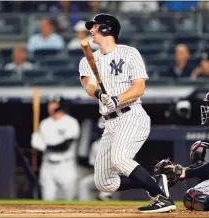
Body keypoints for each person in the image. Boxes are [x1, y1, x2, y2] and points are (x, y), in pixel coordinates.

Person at [79, 13, 175, 213]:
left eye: (94, 27)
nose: (91, 31)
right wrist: (98, 93)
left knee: (120, 158)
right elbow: (88, 85)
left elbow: (139, 88)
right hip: (109, 123)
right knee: (104, 183)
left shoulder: (130, 53)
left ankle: (162, 198)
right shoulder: (87, 60)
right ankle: (154, 183)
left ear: (106, 29)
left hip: (131, 115)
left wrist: (116, 99)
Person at [31, 96, 80, 201]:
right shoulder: (44, 124)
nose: (50, 106)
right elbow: (37, 143)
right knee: (47, 200)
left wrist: (45, 146)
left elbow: (65, 146)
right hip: (47, 166)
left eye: (54, 104)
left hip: (65, 165)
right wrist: (35, 141)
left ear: (60, 106)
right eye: (50, 104)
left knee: (69, 200)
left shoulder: (71, 122)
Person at [78, 117, 113, 201]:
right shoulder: (96, 144)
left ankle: (105, 196)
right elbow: (94, 165)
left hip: (117, 175)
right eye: (103, 128)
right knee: (84, 184)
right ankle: (85, 208)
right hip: (102, 175)